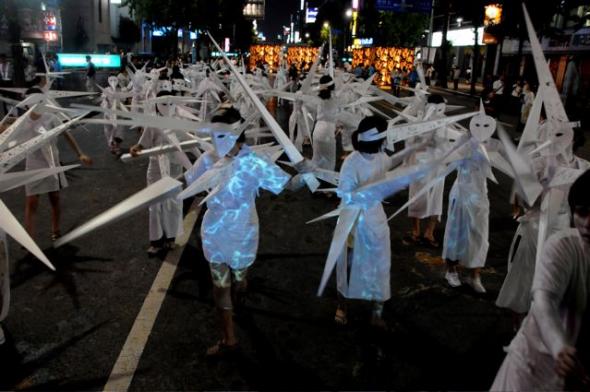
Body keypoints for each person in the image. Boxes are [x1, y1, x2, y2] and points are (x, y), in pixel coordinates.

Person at [183, 107, 291, 356]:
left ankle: (240, 288)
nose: (215, 140)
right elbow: (188, 184)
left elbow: (284, 184)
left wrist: (307, 173)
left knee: (239, 279)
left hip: (244, 230)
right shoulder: (209, 158)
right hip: (217, 231)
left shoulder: (254, 160)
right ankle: (229, 338)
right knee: (221, 285)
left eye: (221, 134)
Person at [491, 169, 590, 391]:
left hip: (575, 376)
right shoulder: (564, 245)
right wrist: (559, 347)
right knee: (522, 281)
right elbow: (545, 301)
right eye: (582, 212)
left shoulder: (578, 168)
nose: (588, 223)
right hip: (532, 369)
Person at [334, 116, 395, 328]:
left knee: (380, 264)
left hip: (376, 221)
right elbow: (344, 192)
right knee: (348, 264)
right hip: (353, 220)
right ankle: (342, 305)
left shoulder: (383, 158)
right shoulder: (352, 161)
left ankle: (377, 311)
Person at [19, 88, 93, 241]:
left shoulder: (50, 117)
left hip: (51, 162)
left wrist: (80, 154)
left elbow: (66, 134)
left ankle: (56, 230)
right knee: (32, 201)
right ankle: (28, 237)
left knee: (54, 198)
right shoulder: (22, 121)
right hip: (32, 164)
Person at [129, 91, 184, 255]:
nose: (166, 107)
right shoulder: (152, 123)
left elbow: (188, 141)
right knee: (155, 205)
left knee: (173, 203)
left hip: (174, 168)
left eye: (169, 103)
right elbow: (141, 145)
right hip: (155, 169)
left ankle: (171, 238)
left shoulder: (179, 122)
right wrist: (134, 149)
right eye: (163, 104)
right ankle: (156, 241)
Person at [405, 94, 448, 248]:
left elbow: (409, 142)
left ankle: (417, 231)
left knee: (418, 196)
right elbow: (444, 143)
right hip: (435, 164)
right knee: (433, 198)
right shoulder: (442, 121)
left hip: (421, 163)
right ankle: (428, 233)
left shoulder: (420, 119)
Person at [311, 75, 338, 171]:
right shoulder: (335, 99)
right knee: (330, 160)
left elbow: (307, 92)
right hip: (328, 131)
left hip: (317, 129)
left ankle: (313, 181)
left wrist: (319, 88)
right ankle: (327, 182)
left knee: (316, 158)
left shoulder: (316, 98)